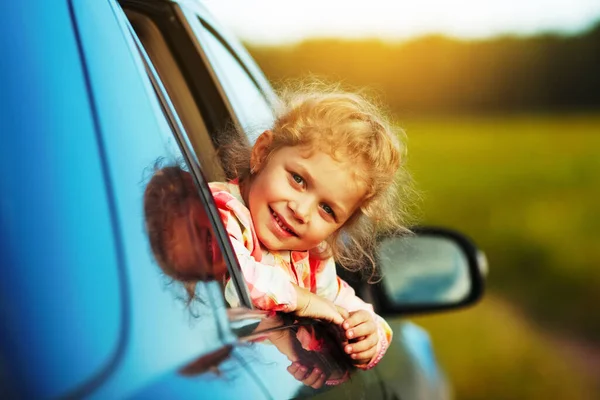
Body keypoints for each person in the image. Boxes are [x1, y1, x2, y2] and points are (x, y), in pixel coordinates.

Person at [211, 86, 414, 376]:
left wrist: (368, 333)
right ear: (262, 153)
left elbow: (345, 306)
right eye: (298, 179)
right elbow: (242, 280)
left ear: (339, 227)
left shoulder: (312, 259)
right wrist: (308, 302)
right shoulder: (220, 210)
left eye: (327, 210)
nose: (301, 211)